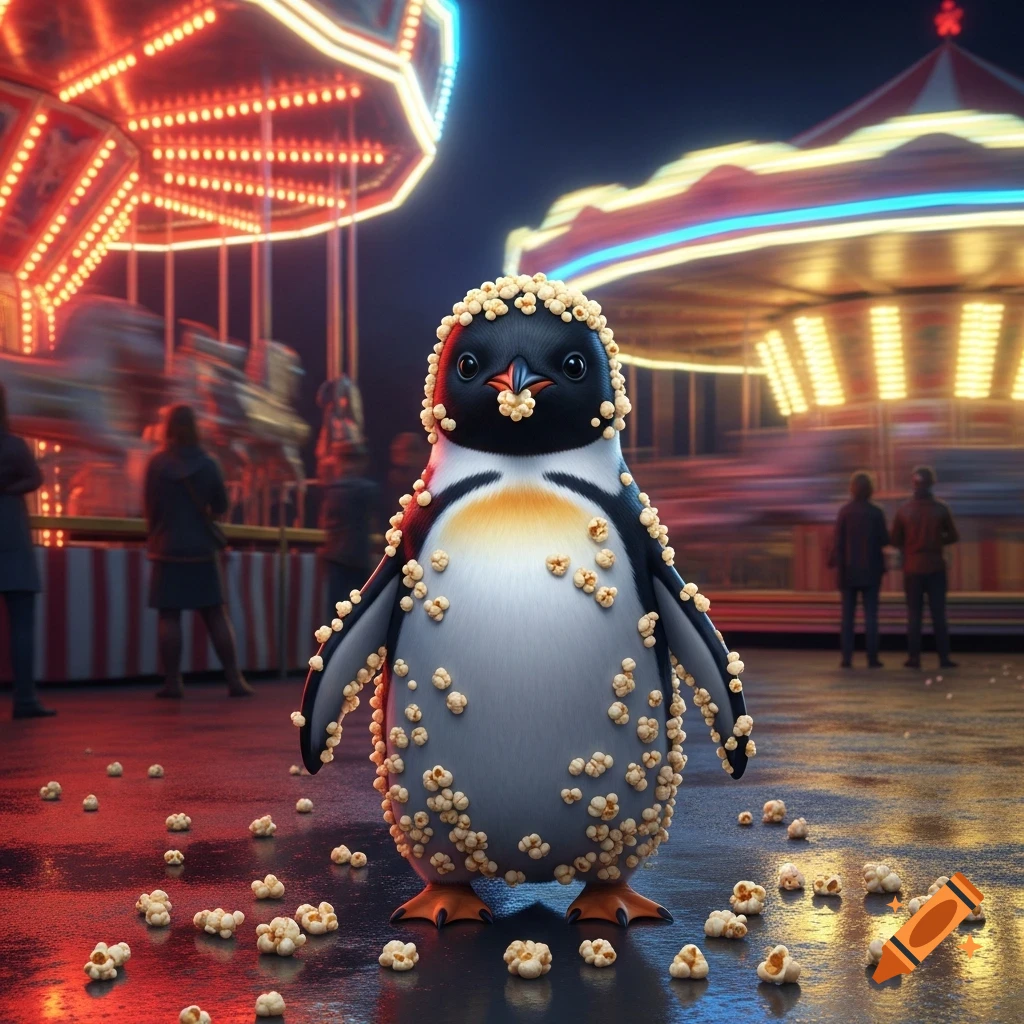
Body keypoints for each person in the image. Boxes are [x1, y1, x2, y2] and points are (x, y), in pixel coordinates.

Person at [144, 404, 253, 698]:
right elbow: (220, 507)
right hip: (202, 550)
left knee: (169, 616)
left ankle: (173, 682)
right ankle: (234, 679)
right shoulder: (208, 463)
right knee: (215, 614)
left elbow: (150, 508)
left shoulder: (156, 464)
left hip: (167, 548)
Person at [0, 383, 55, 718]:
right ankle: (24, 699)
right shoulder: (15, 446)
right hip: (12, 536)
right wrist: (10, 489)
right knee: (21, 625)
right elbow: (35, 478)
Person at [891, 465, 959, 670]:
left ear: (913, 484)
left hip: (912, 569)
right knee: (939, 614)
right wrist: (937, 540)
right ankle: (944, 659)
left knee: (914, 615)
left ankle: (914, 658)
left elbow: (895, 539)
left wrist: (910, 545)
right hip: (936, 567)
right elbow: (953, 536)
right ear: (932, 484)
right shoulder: (941, 508)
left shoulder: (904, 510)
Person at [829, 470, 889, 669]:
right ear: (870, 489)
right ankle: (872, 658)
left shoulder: (844, 511)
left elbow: (838, 542)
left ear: (852, 489)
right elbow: (884, 540)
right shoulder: (876, 512)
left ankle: (847, 659)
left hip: (848, 573)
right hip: (872, 573)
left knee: (848, 618)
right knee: (871, 617)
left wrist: (836, 566)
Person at [321, 447, 379, 616]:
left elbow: (325, 521)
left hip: (335, 559)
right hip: (358, 558)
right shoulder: (368, 489)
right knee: (358, 612)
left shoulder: (333, 489)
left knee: (335, 615)